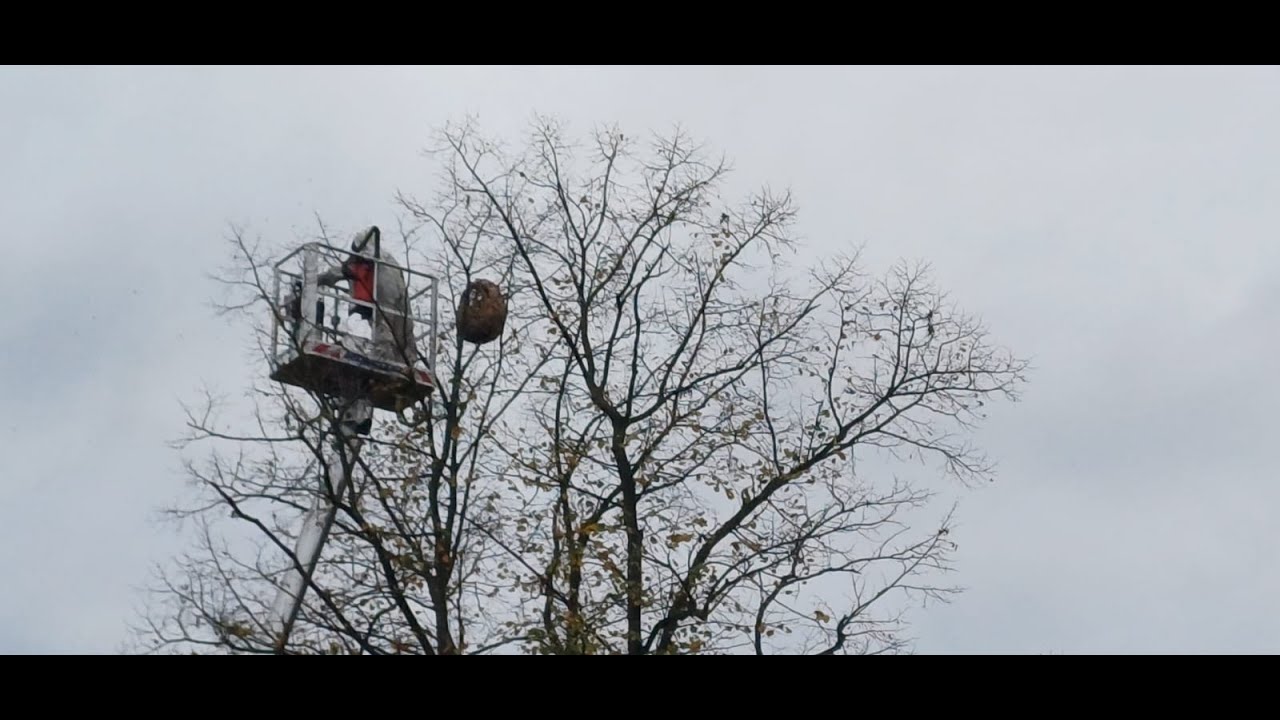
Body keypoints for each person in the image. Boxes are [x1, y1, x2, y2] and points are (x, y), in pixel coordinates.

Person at [315, 225, 417, 436]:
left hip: (391, 314)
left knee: (383, 344)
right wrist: (321, 279)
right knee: (397, 340)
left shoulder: (379, 270)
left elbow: (384, 324)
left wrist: (383, 359)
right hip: (398, 318)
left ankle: (396, 368)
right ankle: (402, 367)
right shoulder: (376, 262)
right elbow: (343, 270)